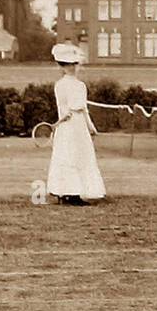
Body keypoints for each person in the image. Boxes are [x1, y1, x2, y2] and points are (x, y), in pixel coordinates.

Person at [47, 43, 105, 206]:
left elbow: (83, 109)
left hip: (78, 126)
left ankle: (75, 193)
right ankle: (66, 193)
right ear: (61, 66)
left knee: (81, 156)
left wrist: (91, 126)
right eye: (67, 64)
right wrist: (65, 116)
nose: (71, 67)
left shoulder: (81, 85)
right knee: (67, 156)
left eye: (74, 64)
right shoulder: (60, 85)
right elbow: (66, 108)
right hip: (67, 126)